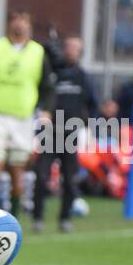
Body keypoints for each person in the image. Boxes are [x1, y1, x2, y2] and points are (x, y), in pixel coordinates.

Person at [0, 10, 55, 214]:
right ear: (9, 24)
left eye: (24, 20)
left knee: (18, 171)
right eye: (16, 20)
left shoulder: (38, 52)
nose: (19, 24)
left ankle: (13, 217)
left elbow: (48, 87)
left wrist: (47, 111)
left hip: (22, 118)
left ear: (29, 25)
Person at [34, 35, 98, 233]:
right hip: (50, 131)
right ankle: (37, 217)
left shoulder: (83, 76)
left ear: (80, 52)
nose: (70, 50)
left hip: (70, 133)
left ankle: (65, 218)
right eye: (68, 46)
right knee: (41, 175)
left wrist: (90, 127)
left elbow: (92, 104)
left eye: (75, 47)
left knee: (70, 179)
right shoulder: (53, 72)